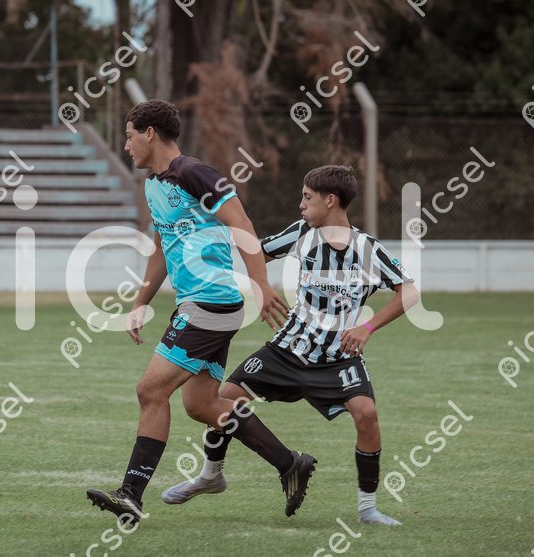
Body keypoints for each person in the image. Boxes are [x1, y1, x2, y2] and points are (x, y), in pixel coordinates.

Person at [85, 100, 315, 526]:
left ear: (150, 133)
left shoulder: (195, 173)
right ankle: (290, 464)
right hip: (197, 303)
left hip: (211, 302)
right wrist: (140, 301)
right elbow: (161, 245)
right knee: (201, 403)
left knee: (150, 390)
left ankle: (131, 494)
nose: (126, 144)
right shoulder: (154, 184)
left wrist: (262, 285)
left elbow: (242, 225)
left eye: (130, 135)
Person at [161, 165, 420, 526]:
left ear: (331, 201)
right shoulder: (301, 233)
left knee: (367, 415)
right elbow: (255, 252)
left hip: (337, 358)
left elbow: (409, 292)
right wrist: (258, 284)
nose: (301, 205)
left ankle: (367, 508)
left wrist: (367, 327)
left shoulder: (367, 249)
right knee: (225, 398)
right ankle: (210, 476)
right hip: (286, 350)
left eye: (307, 197)